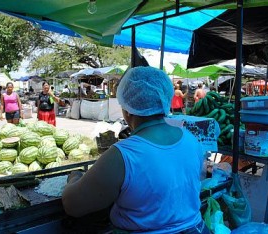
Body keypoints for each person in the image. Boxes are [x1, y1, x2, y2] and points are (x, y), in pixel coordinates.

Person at [62, 66, 209, 233]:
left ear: (127, 109)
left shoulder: (122, 155)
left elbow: (73, 205)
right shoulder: (190, 139)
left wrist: (74, 177)